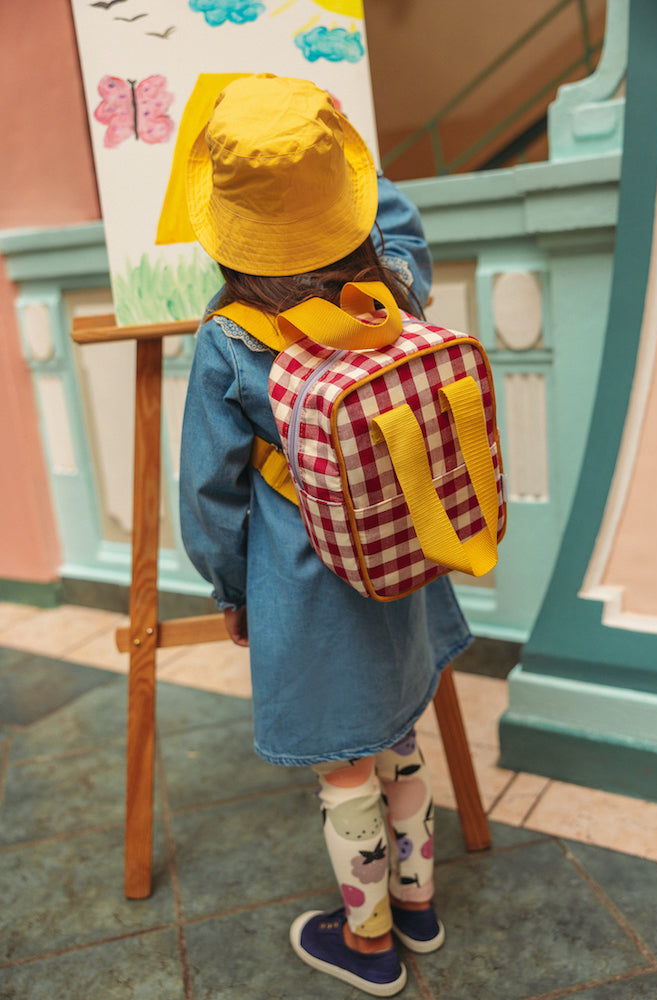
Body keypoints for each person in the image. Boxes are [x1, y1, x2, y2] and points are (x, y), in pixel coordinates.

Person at [180, 74, 472, 997]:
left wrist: (231, 592)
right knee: (401, 740)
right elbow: (398, 216)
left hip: (306, 584)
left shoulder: (229, 337)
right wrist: (336, 145)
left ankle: (368, 941)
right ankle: (419, 910)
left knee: (344, 767)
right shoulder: (393, 284)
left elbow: (210, 492)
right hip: (404, 558)